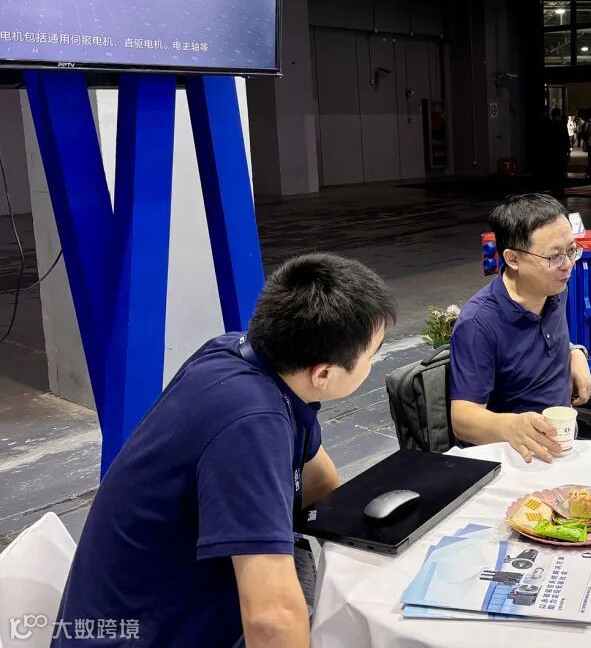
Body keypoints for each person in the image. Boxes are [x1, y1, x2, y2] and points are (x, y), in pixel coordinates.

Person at [54, 254, 396, 648]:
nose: (372, 363)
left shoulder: (238, 355)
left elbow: (319, 481)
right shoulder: (251, 423)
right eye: (371, 355)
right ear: (323, 374)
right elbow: (271, 620)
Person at [450, 193, 591, 463]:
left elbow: (543, 338)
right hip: (514, 456)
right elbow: (462, 419)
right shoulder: (478, 324)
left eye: (572, 250)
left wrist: (575, 352)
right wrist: (511, 426)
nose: (567, 265)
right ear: (513, 259)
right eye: (554, 256)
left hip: (560, 444)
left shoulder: (554, 288)